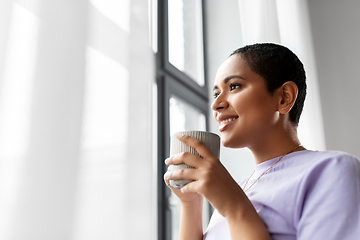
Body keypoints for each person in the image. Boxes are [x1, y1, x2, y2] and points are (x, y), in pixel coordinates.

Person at [164, 43, 360, 240]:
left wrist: (235, 207)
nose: (216, 104)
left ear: (284, 98)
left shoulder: (332, 170)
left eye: (234, 86)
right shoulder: (235, 188)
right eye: (216, 94)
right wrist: (191, 203)